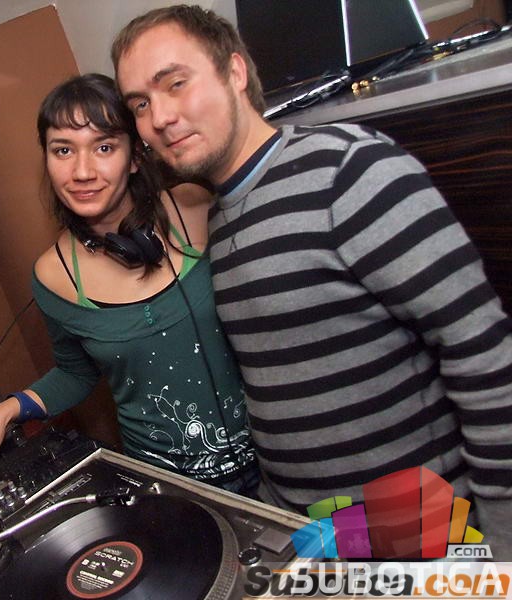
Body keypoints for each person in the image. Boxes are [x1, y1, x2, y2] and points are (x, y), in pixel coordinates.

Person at [112, 5, 512, 557]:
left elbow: (487, 360)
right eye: (140, 104)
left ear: (234, 71)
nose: (159, 117)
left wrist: (502, 544)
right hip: (313, 538)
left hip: (420, 537)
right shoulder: (221, 215)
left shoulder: (351, 172)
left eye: (175, 83)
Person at [0, 73, 259, 496]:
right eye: (63, 150)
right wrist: (5, 411)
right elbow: (75, 374)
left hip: (280, 454)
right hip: (166, 489)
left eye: (104, 147)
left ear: (134, 156)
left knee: (339, 538)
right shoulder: (54, 276)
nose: (82, 171)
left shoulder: (194, 208)